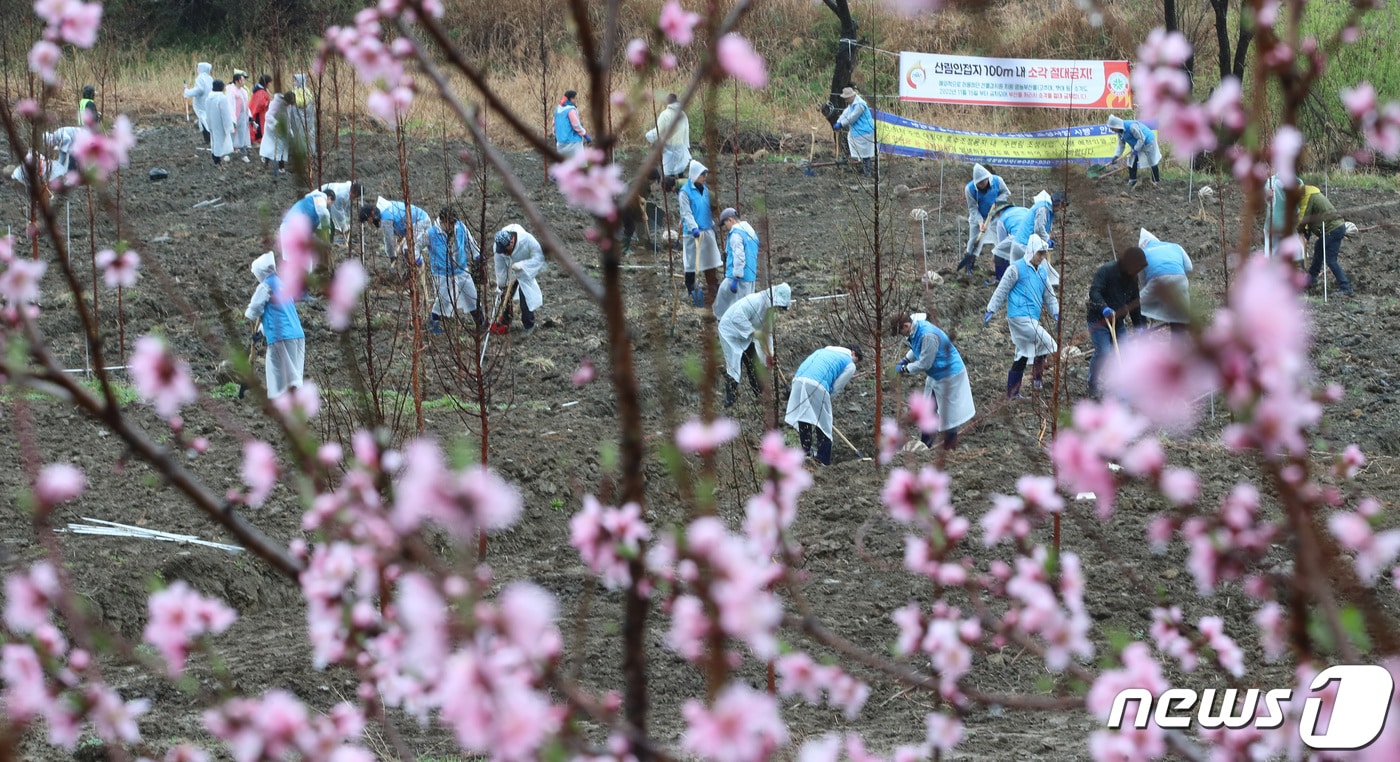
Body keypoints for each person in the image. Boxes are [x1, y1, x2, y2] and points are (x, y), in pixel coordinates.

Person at [985, 235, 1060, 399]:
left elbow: (1049, 295)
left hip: (1033, 317)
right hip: (1018, 316)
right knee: (1047, 342)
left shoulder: (1041, 272)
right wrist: (991, 309)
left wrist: (1056, 312)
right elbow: (1002, 289)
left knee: (1023, 353)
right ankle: (1038, 379)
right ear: (1032, 251)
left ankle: (1014, 391)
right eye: (1039, 254)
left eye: (1043, 254)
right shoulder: (1016, 269)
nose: (1041, 258)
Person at [892, 312, 974, 450]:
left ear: (906, 325)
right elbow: (916, 347)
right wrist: (906, 359)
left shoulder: (927, 335)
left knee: (949, 415)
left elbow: (925, 363)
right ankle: (925, 446)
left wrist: (905, 369)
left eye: (901, 332)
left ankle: (949, 449)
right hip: (936, 375)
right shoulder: (915, 331)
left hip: (949, 375)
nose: (902, 336)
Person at [718, 283, 792, 408]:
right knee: (734, 364)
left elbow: (767, 334)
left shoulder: (771, 314)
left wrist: (770, 355)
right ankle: (730, 399)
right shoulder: (756, 301)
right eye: (778, 306)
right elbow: (737, 317)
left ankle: (760, 394)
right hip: (729, 331)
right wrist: (752, 331)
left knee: (753, 362)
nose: (778, 309)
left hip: (745, 335)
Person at [785, 345, 862, 465]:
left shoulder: (825, 350)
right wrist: (826, 403)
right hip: (817, 384)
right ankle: (823, 459)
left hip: (798, 379)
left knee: (804, 415)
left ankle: (806, 451)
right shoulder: (850, 364)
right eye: (856, 360)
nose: (855, 363)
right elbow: (837, 387)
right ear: (853, 353)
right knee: (824, 423)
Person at [1085, 248, 1145, 399]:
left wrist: (1139, 327)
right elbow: (1094, 292)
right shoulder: (1106, 271)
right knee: (1104, 352)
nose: (1138, 271)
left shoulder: (1132, 279)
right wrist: (1103, 307)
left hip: (1117, 322)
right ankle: (1092, 383)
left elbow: (1134, 303)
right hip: (1099, 321)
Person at [244, 252, 306, 399]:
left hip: (281, 336)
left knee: (277, 370)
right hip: (297, 334)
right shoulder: (281, 285)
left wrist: (249, 315)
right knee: (294, 370)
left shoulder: (266, 286)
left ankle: (281, 401)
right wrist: (261, 332)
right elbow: (278, 313)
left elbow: (254, 309)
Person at [426, 207, 484, 333]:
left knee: (472, 296)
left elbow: (470, 242)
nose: (452, 226)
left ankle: (481, 323)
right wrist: (415, 257)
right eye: (449, 223)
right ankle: (433, 323)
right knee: (443, 299)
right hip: (442, 273)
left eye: (454, 223)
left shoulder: (461, 228)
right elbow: (417, 245)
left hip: (461, 269)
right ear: (442, 221)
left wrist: (477, 255)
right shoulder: (431, 233)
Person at [1297, 181, 1353, 295]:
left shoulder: (1307, 196)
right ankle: (1312, 278)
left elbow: (1303, 218)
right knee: (1318, 247)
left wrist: (1299, 232)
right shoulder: (1310, 193)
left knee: (1331, 260)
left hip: (1333, 229)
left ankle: (1345, 287)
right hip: (1334, 228)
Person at [678, 162, 722, 307]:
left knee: (711, 261)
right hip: (693, 234)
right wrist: (693, 228)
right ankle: (692, 289)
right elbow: (686, 213)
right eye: (702, 174)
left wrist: (712, 226)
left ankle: (713, 288)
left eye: (705, 174)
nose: (705, 177)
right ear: (695, 175)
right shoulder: (685, 192)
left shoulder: (705, 191)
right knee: (691, 264)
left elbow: (706, 211)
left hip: (707, 231)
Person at [1133, 229, 1193, 333]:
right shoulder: (1175, 246)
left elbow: (1142, 280)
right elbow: (1189, 267)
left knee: (1138, 304)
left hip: (1158, 280)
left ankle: (1141, 331)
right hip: (1180, 279)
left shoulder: (1143, 252)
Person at [491, 225, 548, 335]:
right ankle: (504, 322)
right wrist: (502, 283)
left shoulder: (527, 240)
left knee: (525, 296)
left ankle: (529, 325)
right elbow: (500, 266)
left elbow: (539, 257)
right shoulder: (499, 247)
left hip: (525, 268)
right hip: (510, 267)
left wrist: (522, 265)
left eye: (505, 250)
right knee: (505, 294)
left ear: (511, 242)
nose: (503, 253)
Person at [956, 164, 1011, 276]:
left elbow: (1006, 192)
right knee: (973, 241)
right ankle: (969, 267)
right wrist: (980, 222)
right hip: (977, 216)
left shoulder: (997, 181)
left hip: (995, 215)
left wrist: (997, 202)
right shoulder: (970, 189)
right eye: (979, 184)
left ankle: (1002, 268)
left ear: (987, 178)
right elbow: (972, 207)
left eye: (983, 182)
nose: (981, 185)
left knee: (1000, 241)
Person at [713, 207, 758, 319]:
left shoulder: (736, 234)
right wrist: (728, 255)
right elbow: (749, 251)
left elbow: (739, 256)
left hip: (738, 277)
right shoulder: (750, 231)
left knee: (724, 301)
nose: (726, 227)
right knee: (745, 305)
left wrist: (736, 277)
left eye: (725, 223)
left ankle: (722, 323)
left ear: (730, 220)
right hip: (750, 275)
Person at [360, 197, 431, 262]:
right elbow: (400, 221)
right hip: (415, 223)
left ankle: (419, 269)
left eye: (367, 220)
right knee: (406, 252)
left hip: (420, 221)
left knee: (409, 250)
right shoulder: (384, 207)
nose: (369, 223)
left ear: (371, 214)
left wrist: (392, 256)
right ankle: (412, 270)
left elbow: (389, 239)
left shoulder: (385, 217)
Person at [645, 93, 691, 180]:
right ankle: (680, 184)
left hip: (668, 146)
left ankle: (671, 186)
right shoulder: (683, 114)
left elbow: (658, 130)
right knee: (680, 168)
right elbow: (686, 130)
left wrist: (649, 136)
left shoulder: (665, 114)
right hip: (680, 145)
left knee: (670, 170)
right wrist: (686, 143)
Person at [1107, 115, 1161, 189]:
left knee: (1152, 161)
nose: (1112, 130)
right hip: (1137, 144)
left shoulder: (1132, 126)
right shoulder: (1120, 132)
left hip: (1148, 142)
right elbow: (1121, 144)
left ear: (1117, 126)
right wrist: (1116, 156)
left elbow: (1142, 138)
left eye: (1112, 128)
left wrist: (1136, 150)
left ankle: (1156, 181)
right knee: (1131, 161)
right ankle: (1132, 180)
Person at [833, 86, 876, 176]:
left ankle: (867, 170)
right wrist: (838, 121)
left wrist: (841, 124)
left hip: (865, 131)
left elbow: (852, 118)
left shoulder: (860, 105)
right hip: (857, 130)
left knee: (865, 152)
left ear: (852, 96)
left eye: (847, 98)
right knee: (854, 144)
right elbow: (846, 113)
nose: (846, 100)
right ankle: (853, 161)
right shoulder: (852, 105)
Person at [205, 80, 235, 168]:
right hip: (219, 123)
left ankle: (215, 156)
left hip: (211, 122)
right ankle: (217, 159)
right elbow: (225, 113)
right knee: (220, 141)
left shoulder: (208, 97)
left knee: (214, 140)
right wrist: (229, 126)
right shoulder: (221, 98)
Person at [554, 89, 592, 159]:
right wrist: (585, 134)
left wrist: (556, 136)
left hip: (560, 143)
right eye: (575, 98)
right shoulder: (570, 110)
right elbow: (576, 125)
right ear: (571, 99)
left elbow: (554, 125)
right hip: (573, 142)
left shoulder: (557, 110)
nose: (576, 100)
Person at [183, 62, 214, 146]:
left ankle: (208, 139)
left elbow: (199, 90)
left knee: (204, 120)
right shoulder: (210, 78)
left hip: (202, 103)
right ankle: (208, 139)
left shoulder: (201, 78)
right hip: (208, 102)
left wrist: (187, 92)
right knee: (205, 120)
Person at [259, 92, 289, 175]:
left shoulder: (288, 106)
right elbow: (268, 116)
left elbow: (288, 118)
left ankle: (281, 167)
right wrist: (276, 123)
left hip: (281, 129)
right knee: (271, 147)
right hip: (272, 128)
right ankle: (266, 162)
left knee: (281, 148)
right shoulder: (276, 104)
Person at [289, 73, 316, 157]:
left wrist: (293, 100)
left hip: (304, 120)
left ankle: (308, 153)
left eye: (295, 81)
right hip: (296, 120)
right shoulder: (296, 90)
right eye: (294, 81)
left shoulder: (305, 92)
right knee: (298, 135)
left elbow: (303, 103)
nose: (294, 82)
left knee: (305, 135)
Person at [229, 71, 252, 161]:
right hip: (235, 116)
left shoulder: (244, 91)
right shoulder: (231, 91)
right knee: (232, 134)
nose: (243, 82)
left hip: (243, 116)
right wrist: (233, 119)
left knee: (243, 134)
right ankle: (229, 152)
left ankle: (243, 153)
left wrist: (249, 116)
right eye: (242, 80)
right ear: (236, 81)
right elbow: (231, 106)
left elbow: (246, 104)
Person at [249, 74, 271, 146]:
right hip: (259, 113)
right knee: (259, 126)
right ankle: (258, 139)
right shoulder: (261, 92)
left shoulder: (259, 90)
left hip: (259, 112)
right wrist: (268, 103)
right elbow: (261, 103)